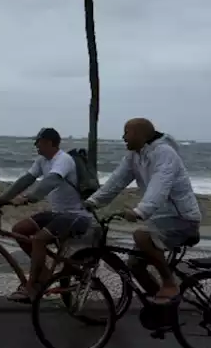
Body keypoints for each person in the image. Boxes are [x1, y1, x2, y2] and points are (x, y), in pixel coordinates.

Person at [84, 117, 202, 303]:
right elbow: (116, 181)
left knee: (141, 235)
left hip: (182, 218)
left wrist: (141, 211)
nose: (123, 137)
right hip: (159, 220)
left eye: (127, 132)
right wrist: (92, 202)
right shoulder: (134, 156)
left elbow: (160, 185)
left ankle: (169, 283)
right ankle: (163, 306)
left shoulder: (164, 153)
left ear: (140, 134)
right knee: (134, 265)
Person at [0, 127, 93, 302]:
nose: (36, 145)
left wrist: (29, 198)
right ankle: (44, 276)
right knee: (19, 230)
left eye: (38, 142)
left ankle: (32, 287)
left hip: (76, 216)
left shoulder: (63, 160)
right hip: (57, 214)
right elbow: (25, 180)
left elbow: (50, 182)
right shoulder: (42, 161)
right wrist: (0, 200)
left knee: (38, 239)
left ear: (49, 142)